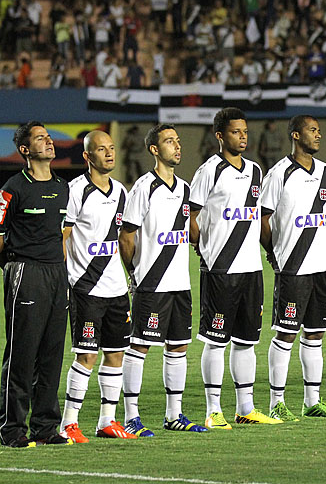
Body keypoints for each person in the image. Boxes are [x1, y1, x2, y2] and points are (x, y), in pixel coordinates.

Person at [189, 108, 278, 429]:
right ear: (220, 136)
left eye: (245, 131)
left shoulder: (256, 171)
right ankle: (213, 410)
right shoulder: (209, 171)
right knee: (215, 340)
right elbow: (192, 217)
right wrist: (205, 251)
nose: (243, 137)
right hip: (220, 270)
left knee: (247, 341)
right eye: (236, 132)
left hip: (251, 269)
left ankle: (246, 408)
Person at [0, 121, 71, 447]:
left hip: (56, 274)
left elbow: (63, 232)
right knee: (22, 354)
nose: (49, 142)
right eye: (40, 139)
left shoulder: (64, 187)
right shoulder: (12, 188)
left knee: (52, 354)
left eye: (49, 137)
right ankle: (12, 429)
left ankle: (46, 427)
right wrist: (13, 267)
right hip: (26, 273)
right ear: (25, 150)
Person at [119, 124, 207, 437]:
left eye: (178, 141)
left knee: (179, 346)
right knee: (140, 347)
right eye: (169, 141)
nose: (177, 146)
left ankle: (174, 415)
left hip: (180, 284)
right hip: (151, 284)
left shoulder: (185, 189)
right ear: (154, 150)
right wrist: (136, 272)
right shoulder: (144, 187)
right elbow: (126, 237)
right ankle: (131, 416)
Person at [259, 115, 326, 421]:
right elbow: (263, 219)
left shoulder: (325, 172)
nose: (318, 135)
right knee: (285, 334)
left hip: (320, 267)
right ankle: (276, 402)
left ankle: (313, 400)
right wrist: (274, 253)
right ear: (295, 135)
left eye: (319, 130)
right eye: (312, 130)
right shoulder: (279, 173)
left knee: (316, 334)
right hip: (292, 267)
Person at [60, 131, 136, 443]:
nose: (109, 154)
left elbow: (124, 237)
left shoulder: (121, 191)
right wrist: (65, 278)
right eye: (101, 150)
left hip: (116, 288)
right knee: (86, 356)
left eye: (111, 148)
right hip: (86, 287)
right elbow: (62, 237)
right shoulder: (75, 191)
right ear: (87, 156)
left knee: (117, 353)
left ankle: (107, 420)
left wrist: (131, 272)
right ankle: (68, 423)